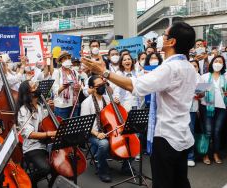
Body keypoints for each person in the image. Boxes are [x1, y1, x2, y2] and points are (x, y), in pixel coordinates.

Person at [82, 22, 196, 188]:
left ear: (171, 42)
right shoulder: (189, 68)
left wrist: (104, 72)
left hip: (167, 137)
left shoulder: (170, 68)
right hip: (183, 135)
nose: (160, 38)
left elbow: (134, 86)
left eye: (164, 35)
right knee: (179, 182)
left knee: (164, 183)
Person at [16, 80, 56, 188]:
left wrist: (51, 109)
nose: (37, 88)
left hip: (45, 143)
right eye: (34, 87)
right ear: (28, 93)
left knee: (58, 167)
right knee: (45, 169)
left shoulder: (40, 106)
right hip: (32, 146)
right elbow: (30, 134)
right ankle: (29, 179)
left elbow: (46, 123)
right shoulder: (23, 110)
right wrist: (48, 134)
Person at [80, 75, 112, 182]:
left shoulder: (107, 99)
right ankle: (102, 170)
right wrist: (97, 134)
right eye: (99, 85)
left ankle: (126, 167)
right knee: (104, 144)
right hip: (93, 133)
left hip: (108, 130)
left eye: (103, 84)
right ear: (92, 87)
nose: (102, 87)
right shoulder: (86, 103)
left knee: (131, 138)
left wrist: (117, 104)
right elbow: (85, 125)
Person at [200, 55, 227, 165]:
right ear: (212, 63)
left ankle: (216, 153)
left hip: (222, 107)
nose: (218, 63)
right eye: (216, 61)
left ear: (223, 65)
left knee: (217, 131)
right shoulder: (206, 76)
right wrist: (203, 92)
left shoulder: (225, 76)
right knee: (208, 131)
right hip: (207, 106)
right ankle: (205, 154)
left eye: (220, 62)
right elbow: (198, 93)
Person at [52, 52, 81, 119]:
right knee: (62, 127)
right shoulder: (57, 72)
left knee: (73, 127)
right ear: (60, 60)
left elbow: (80, 86)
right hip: (61, 106)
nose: (67, 60)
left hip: (74, 104)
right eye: (65, 58)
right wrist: (63, 87)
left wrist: (79, 87)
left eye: (69, 58)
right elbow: (55, 91)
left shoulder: (74, 72)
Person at [188, 60, 201, 167]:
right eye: (191, 66)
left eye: (195, 66)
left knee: (191, 131)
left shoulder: (199, 77)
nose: (193, 68)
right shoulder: (183, 76)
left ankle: (190, 156)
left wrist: (199, 94)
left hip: (192, 109)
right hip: (180, 109)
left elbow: (201, 94)